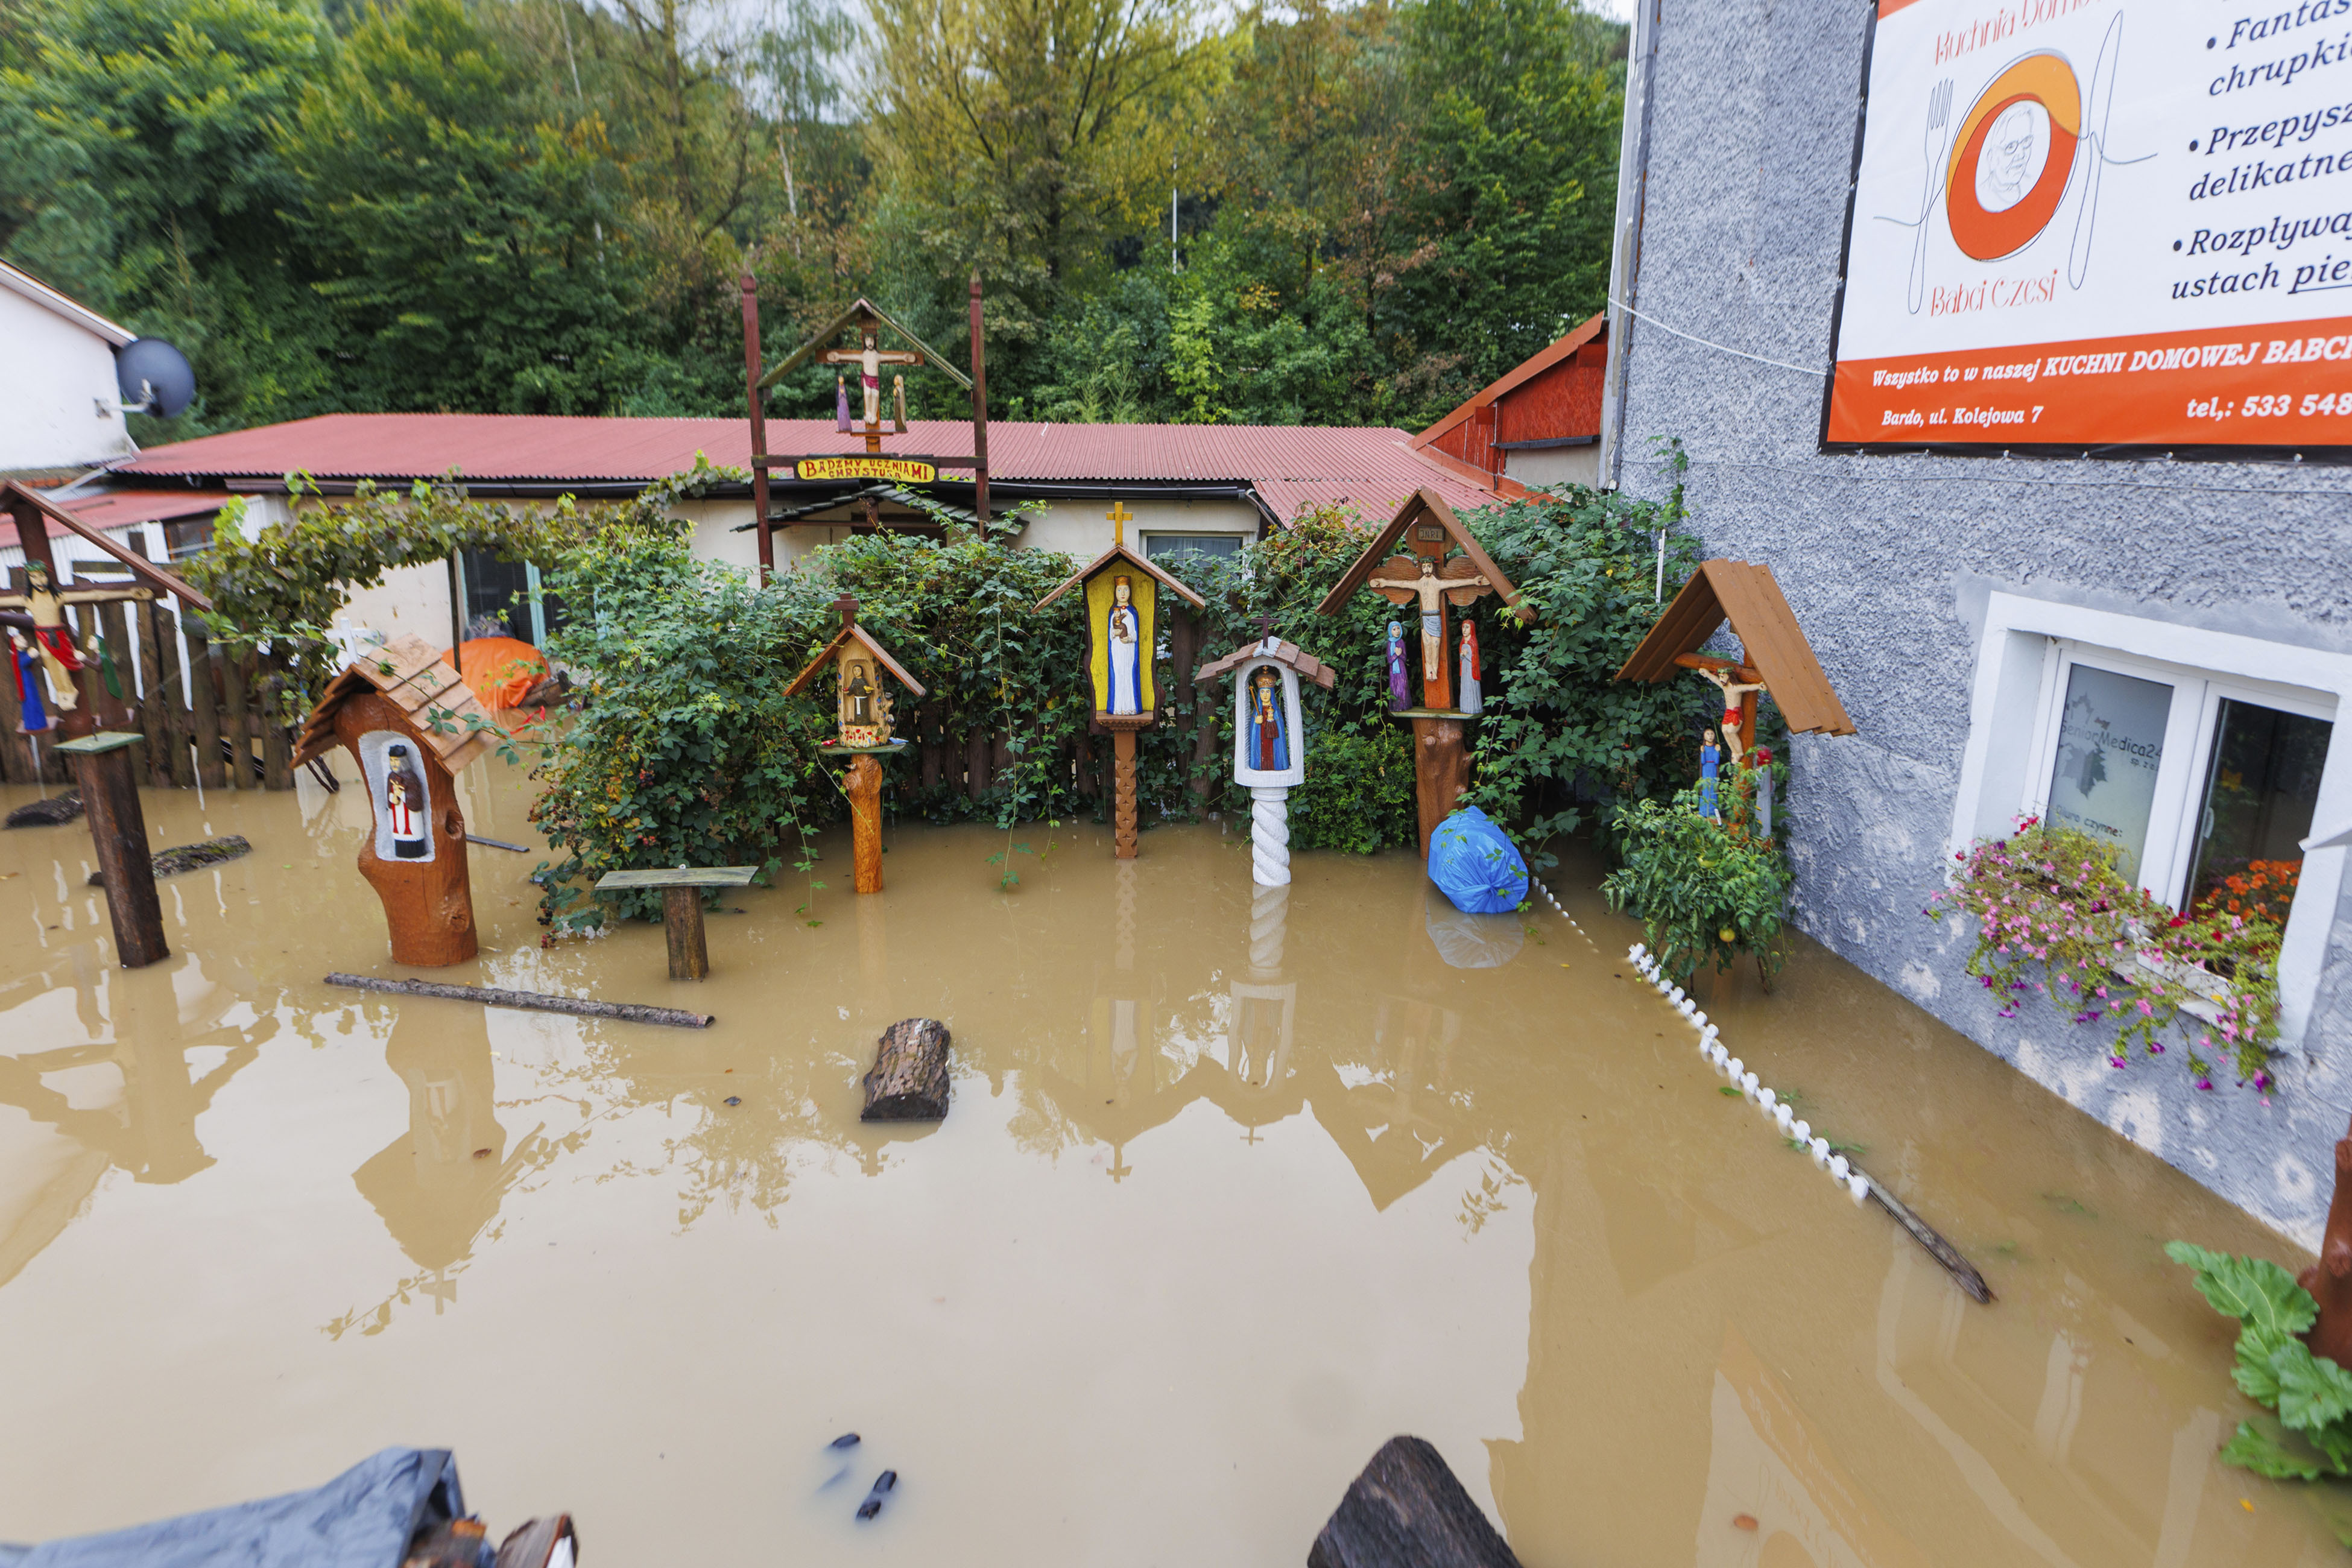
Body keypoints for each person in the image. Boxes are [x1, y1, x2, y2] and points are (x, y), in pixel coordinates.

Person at [385, 744, 430, 859]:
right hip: (397, 813)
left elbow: (416, 796)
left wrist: (402, 794)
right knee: (399, 831)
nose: (394, 764)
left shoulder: (411, 777)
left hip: (410, 814)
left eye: (396, 760)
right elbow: (389, 794)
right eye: (392, 760)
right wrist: (393, 797)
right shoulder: (391, 776)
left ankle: (416, 852)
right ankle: (401, 852)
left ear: (403, 761)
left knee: (413, 831)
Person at [1105, 576, 1142, 714]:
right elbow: (1110, 632)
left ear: (1130, 591)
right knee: (1118, 675)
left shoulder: (1132, 612)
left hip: (1128, 651)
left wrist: (1129, 638)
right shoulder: (1113, 613)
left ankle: (1130, 707)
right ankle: (1118, 707)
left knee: (1129, 676)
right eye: (1119, 590)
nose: (1122, 593)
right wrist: (1113, 633)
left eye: (1125, 590)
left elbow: (1135, 633)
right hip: (1117, 651)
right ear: (1115, 592)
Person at [1249, 666, 1289, 772]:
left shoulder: (1276, 711)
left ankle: (1278, 764)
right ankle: (1258, 765)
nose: (1265, 695)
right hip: (1261, 740)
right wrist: (1256, 722)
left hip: (1273, 742)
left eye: (1268, 692)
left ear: (1271, 693)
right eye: (1262, 692)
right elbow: (1253, 730)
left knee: (1273, 752)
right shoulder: (1257, 711)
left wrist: (1273, 720)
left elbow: (1280, 727)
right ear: (1259, 694)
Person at [10, 628, 49, 733]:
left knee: (35, 702)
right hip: (26, 685)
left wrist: (31, 656)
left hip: (30, 683)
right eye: (21, 640)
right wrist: (30, 656)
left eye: (24, 639)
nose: (24, 641)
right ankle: (34, 724)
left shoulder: (22, 653)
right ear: (15, 643)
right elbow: (22, 664)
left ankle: (39, 722)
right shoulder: (17, 655)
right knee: (31, 703)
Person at [1458, 622, 1482, 715]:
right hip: (1465, 670)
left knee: (1471, 687)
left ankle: (1473, 708)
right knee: (1465, 687)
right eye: (1463, 627)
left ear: (1472, 629)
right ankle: (1465, 707)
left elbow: (1475, 660)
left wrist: (1466, 655)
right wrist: (1462, 655)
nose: (1464, 630)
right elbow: (1461, 659)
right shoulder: (1462, 643)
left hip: (1471, 670)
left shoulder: (1473, 643)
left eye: (1467, 627)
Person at [1699, 729, 1721, 820]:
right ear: (1704, 736)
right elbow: (1703, 761)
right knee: (1705, 788)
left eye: (1712, 734)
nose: (1710, 736)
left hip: (1713, 769)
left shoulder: (1716, 747)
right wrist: (1702, 752)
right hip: (1705, 769)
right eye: (1708, 734)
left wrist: (1717, 751)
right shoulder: (1703, 747)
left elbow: (1716, 761)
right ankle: (1703, 811)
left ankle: (1713, 811)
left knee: (1713, 788)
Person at [1387, 622, 1409, 712]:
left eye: (1398, 628)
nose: (1397, 631)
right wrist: (1396, 654)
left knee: (1403, 687)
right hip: (1393, 671)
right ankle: (1395, 707)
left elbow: (1404, 658)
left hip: (1402, 670)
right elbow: (1390, 660)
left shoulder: (1401, 642)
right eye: (1394, 629)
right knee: (1394, 687)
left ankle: (1404, 706)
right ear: (1390, 631)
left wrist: (1400, 654)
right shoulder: (1389, 643)